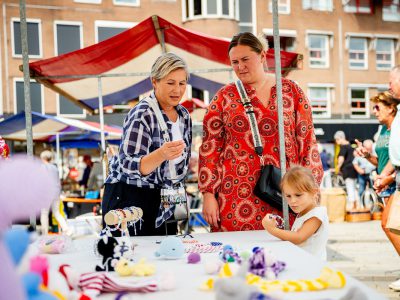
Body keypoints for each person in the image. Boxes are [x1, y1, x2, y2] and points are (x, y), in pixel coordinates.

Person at [199, 32, 323, 232]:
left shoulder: (291, 91)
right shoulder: (224, 97)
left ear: (263, 56)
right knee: (239, 257)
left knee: (286, 255)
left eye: (245, 59)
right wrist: (207, 194)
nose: (240, 67)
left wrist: (311, 188)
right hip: (236, 196)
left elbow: (308, 142)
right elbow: (210, 148)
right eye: (235, 62)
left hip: (286, 193)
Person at [103, 52, 192, 236]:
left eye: (182, 83)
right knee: (129, 259)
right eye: (170, 82)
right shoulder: (142, 113)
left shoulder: (184, 115)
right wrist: (162, 154)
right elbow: (128, 165)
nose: (177, 89)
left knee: (167, 256)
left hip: (166, 197)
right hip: (130, 196)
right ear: (154, 82)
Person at [354, 91, 400, 255]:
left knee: (389, 225)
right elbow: (379, 160)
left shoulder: (397, 129)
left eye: (377, 107)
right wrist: (366, 155)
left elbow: (397, 158)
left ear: (391, 108)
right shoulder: (382, 130)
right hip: (385, 183)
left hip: (394, 181)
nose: (374, 111)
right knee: (395, 229)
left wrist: (389, 177)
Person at [262, 166, 328, 260]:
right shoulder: (303, 212)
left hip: (312, 268)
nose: (292, 201)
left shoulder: (316, 215)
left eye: (298, 195)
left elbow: (298, 237)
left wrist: (272, 229)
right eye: (288, 196)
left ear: (314, 192)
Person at [39, 150, 73, 236]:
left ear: (43, 158)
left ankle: (45, 233)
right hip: (56, 193)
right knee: (57, 212)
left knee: (44, 213)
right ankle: (67, 230)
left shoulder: (42, 167)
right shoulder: (55, 168)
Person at [334, 130, 358, 211]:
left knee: (349, 187)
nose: (336, 142)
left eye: (337, 140)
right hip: (354, 169)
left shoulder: (343, 147)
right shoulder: (351, 146)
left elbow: (341, 159)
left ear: (340, 138)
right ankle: (356, 205)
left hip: (347, 169)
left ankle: (352, 206)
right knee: (354, 187)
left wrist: (337, 168)